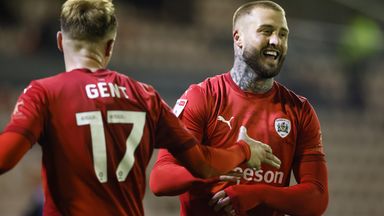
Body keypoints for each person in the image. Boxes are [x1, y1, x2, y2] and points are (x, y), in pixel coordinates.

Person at [0, 0, 281, 215]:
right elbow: (204, 165)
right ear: (110, 46)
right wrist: (244, 150)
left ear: (61, 42)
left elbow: (5, 158)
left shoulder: (44, 93)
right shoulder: (145, 96)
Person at [149, 1, 329, 216]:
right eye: (266, 31)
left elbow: (317, 197)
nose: (276, 41)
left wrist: (257, 194)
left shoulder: (299, 110)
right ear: (238, 38)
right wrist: (210, 170)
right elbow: (160, 179)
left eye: (283, 35)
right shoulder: (203, 97)